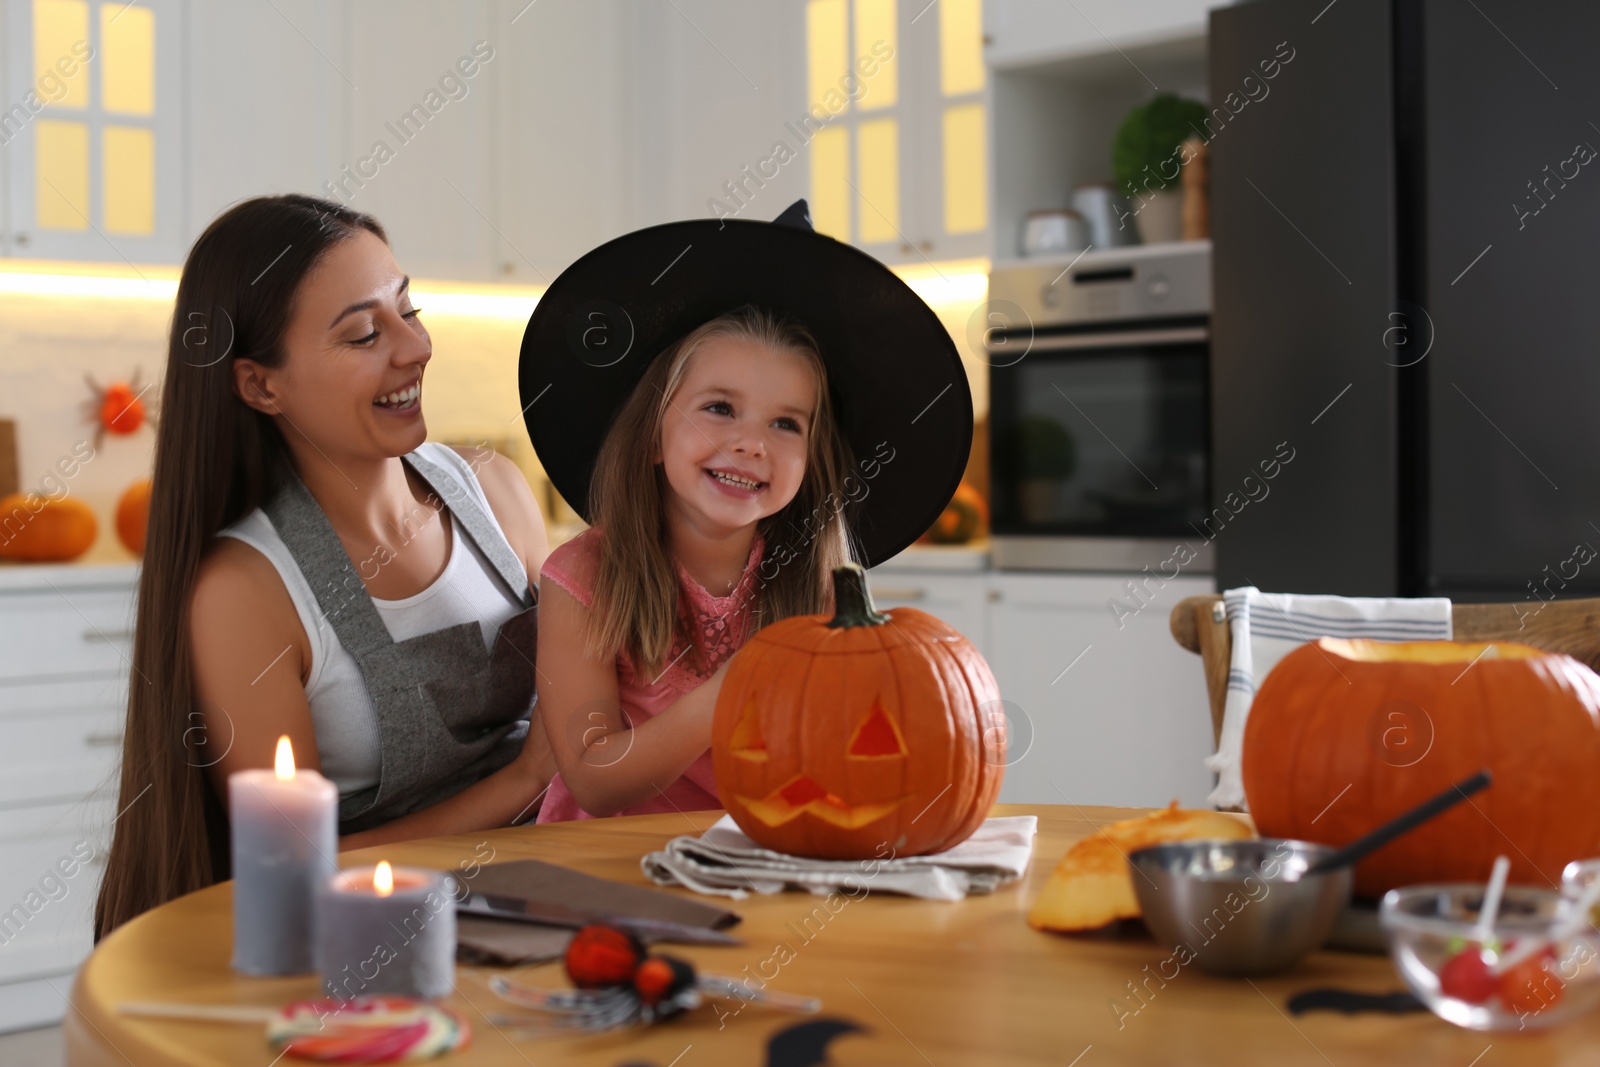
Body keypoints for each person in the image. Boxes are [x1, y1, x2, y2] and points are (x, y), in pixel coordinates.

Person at [95, 195, 554, 939]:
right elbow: (288, 870)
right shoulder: (246, 590)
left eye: (410, 310)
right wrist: (527, 778)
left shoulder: (495, 491)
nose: (415, 347)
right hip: (372, 944)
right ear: (260, 385)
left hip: (559, 899)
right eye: (366, 333)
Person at [520, 200, 974, 821]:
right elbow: (595, 783)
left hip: (756, 859)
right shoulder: (582, 577)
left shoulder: (814, 582)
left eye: (785, 423)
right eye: (719, 408)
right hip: (611, 872)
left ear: (812, 461)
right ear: (653, 433)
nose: (751, 443)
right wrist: (732, 691)